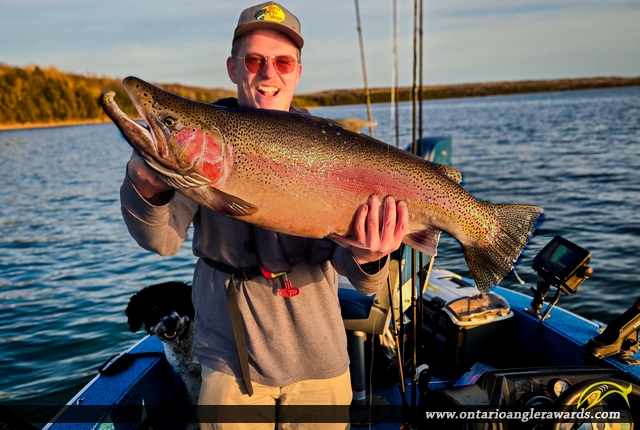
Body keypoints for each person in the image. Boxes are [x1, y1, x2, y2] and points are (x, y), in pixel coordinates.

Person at [120, 2, 408, 429]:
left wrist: (371, 256)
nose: (268, 73)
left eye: (282, 61)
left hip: (319, 353)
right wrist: (143, 186)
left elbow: (363, 277)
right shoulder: (201, 140)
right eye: (254, 60)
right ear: (234, 67)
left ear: (297, 71)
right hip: (228, 357)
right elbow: (160, 240)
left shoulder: (333, 148)